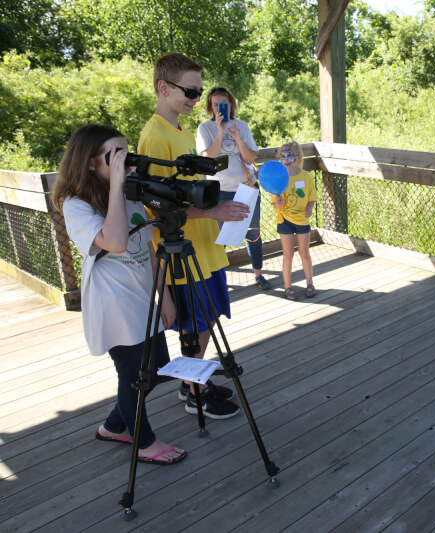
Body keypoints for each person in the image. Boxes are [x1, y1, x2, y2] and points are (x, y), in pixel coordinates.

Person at [52, 124, 186, 465]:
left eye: (125, 153)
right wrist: (116, 187)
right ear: (89, 162)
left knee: (157, 368)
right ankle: (144, 442)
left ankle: (115, 425)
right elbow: (115, 241)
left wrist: (164, 295)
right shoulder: (76, 204)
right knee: (135, 377)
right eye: (114, 156)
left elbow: (148, 247)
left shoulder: (129, 192)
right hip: (113, 303)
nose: (124, 162)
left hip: (141, 297)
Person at [139, 52, 244, 419]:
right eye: (190, 92)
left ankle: (193, 380)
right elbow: (156, 206)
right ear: (163, 87)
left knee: (209, 315)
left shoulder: (180, 131)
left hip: (202, 247)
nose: (197, 99)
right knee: (195, 324)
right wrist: (213, 212)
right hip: (183, 251)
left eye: (199, 92)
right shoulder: (155, 136)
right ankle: (194, 392)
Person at [196, 86, 272, 290]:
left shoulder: (242, 126)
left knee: (253, 233)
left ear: (231, 104)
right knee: (220, 238)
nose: (220, 108)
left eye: (224, 103)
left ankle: (259, 275)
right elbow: (208, 158)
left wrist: (238, 137)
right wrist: (220, 131)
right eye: (215, 105)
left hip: (246, 188)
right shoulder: (205, 129)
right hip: (219, 191)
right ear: (210, 107)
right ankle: (219, 281)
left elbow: (250, 157)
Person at [272, 141, 318, 300]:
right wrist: (278, 203)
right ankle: (288, 287)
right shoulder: (279, 178)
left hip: (302, 221)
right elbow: (275, 205)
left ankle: (310, 283)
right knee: (288, 254)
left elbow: (312, 197)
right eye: (283, 156)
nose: (286, 159)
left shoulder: (306, 177)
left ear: (298, 157)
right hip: (284, 220)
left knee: (304, 252)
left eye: (290, 155)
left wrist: (309, 208)